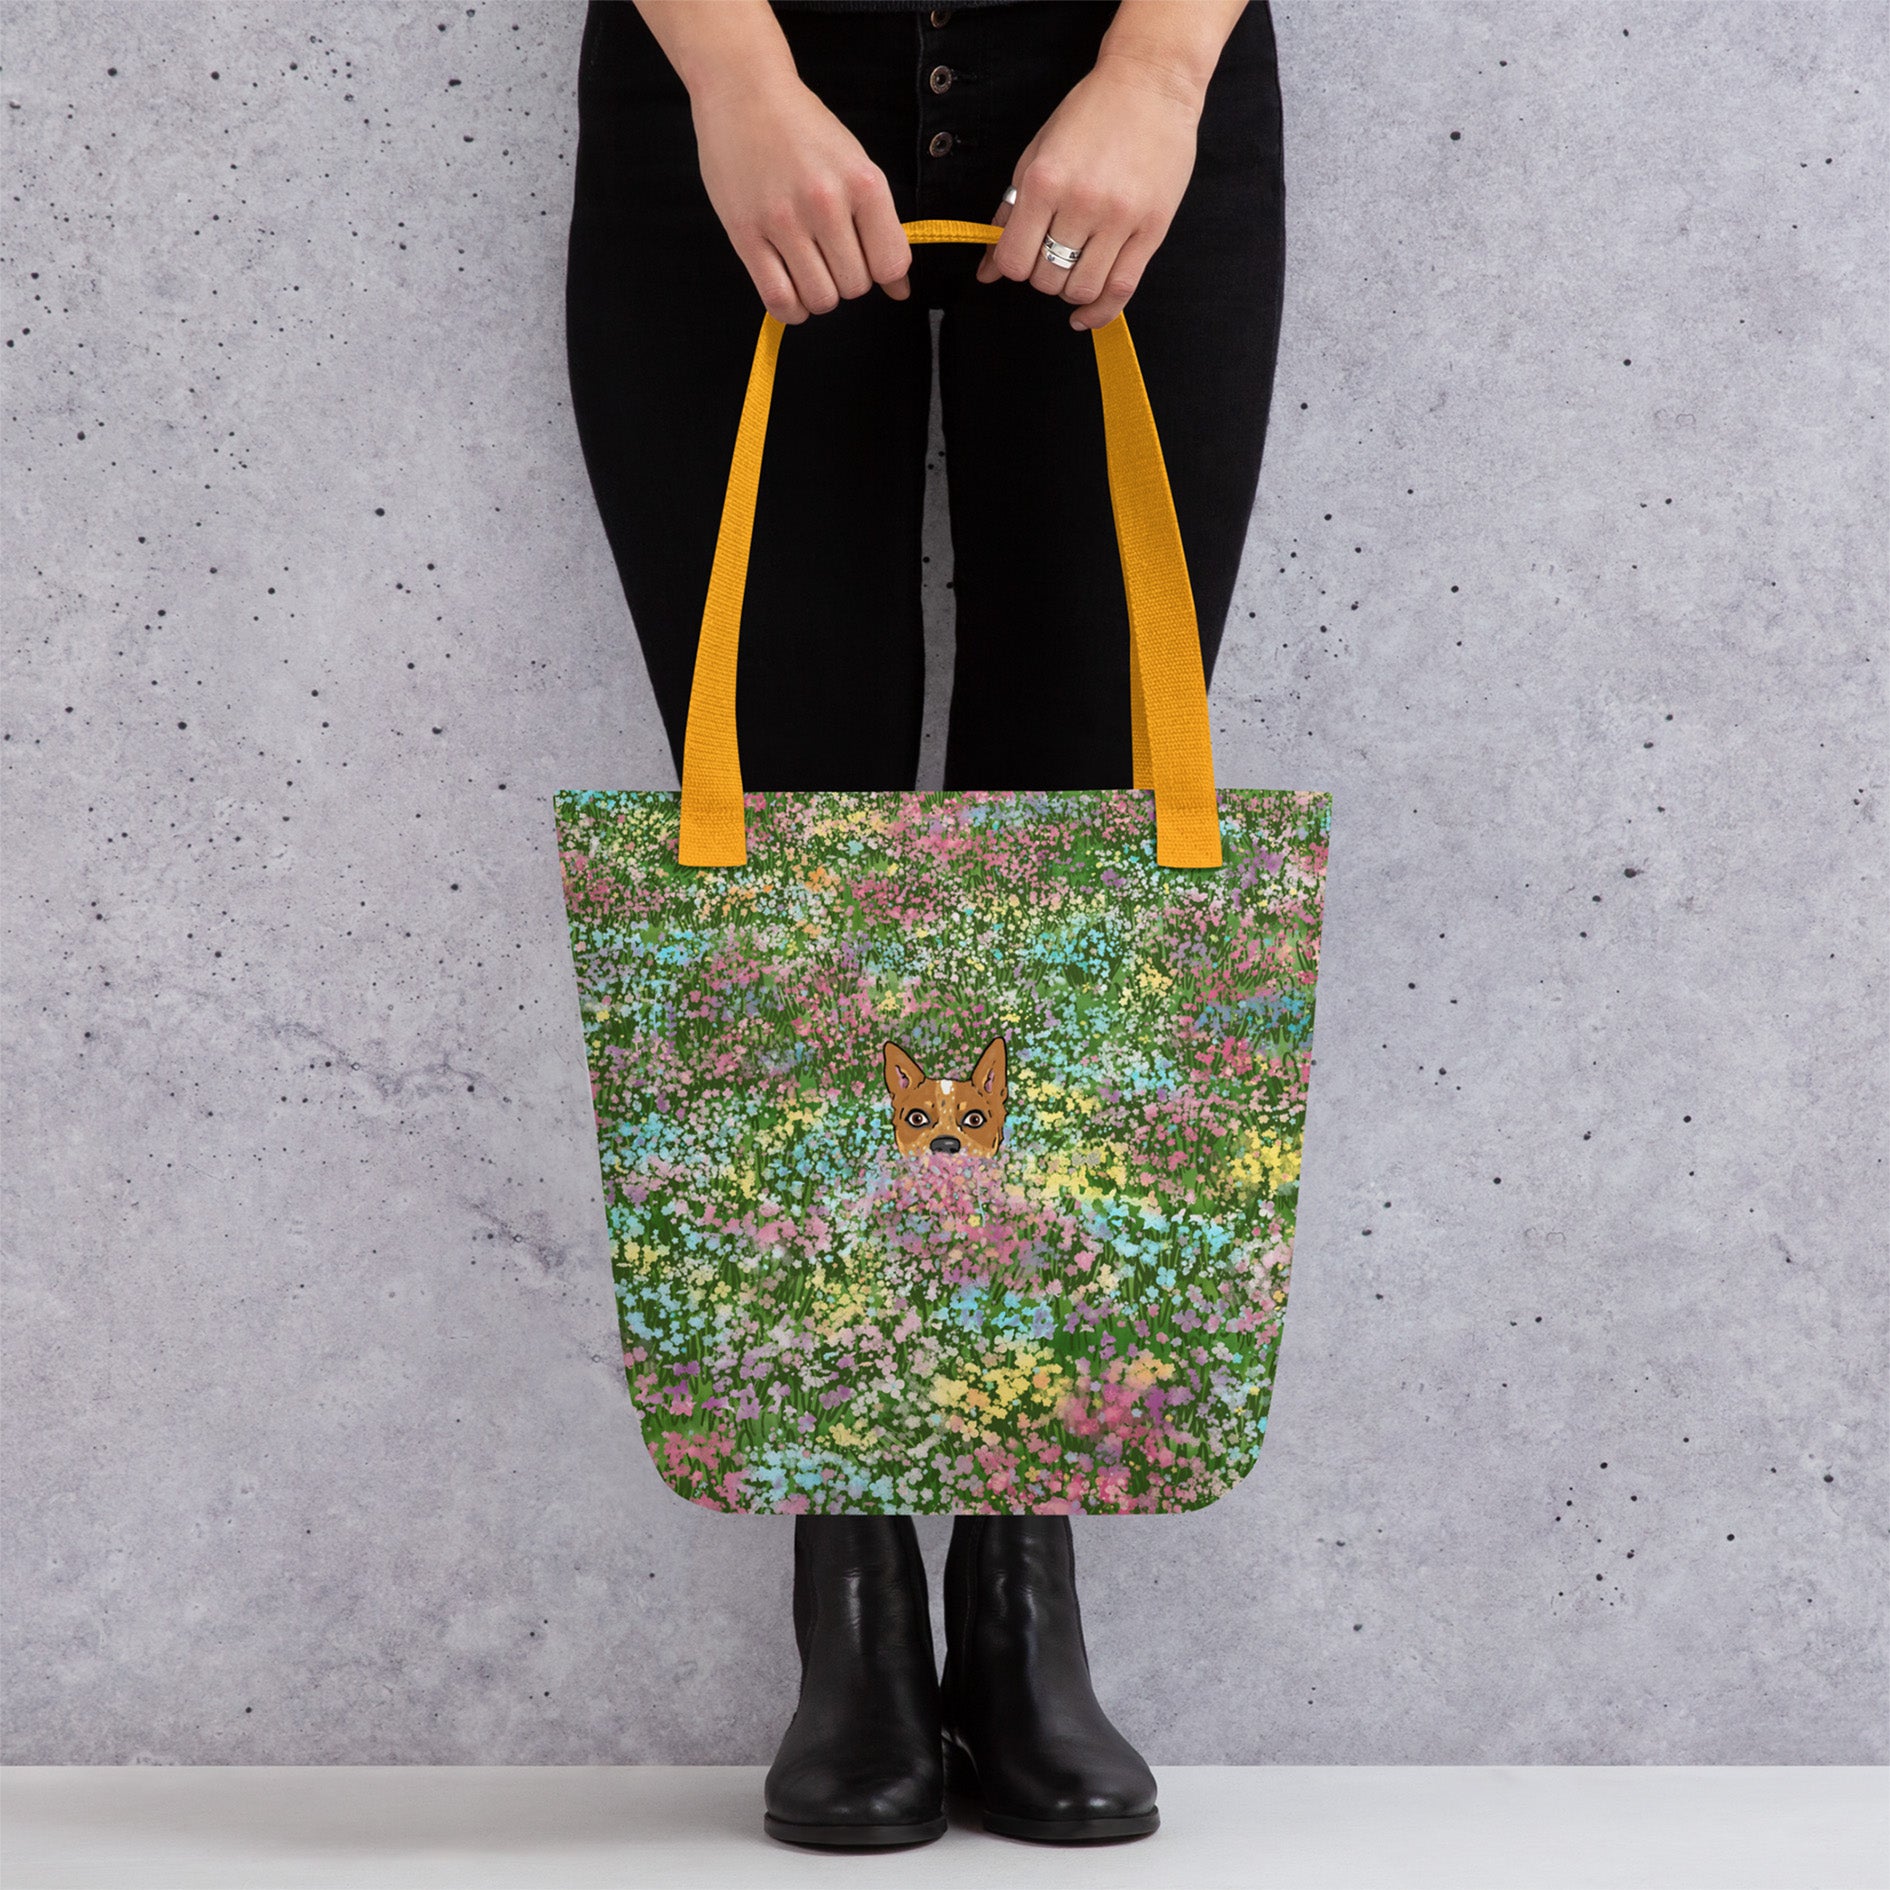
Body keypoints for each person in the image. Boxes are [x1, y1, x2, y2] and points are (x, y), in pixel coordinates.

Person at [564, 0, 1285, 1850]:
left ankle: (1020, 1576)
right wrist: (735, 78)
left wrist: (1160, 72)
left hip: (1125, 67)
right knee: (787, 872)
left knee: (1082, 858)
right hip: (739, 71)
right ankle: (854, 1585)